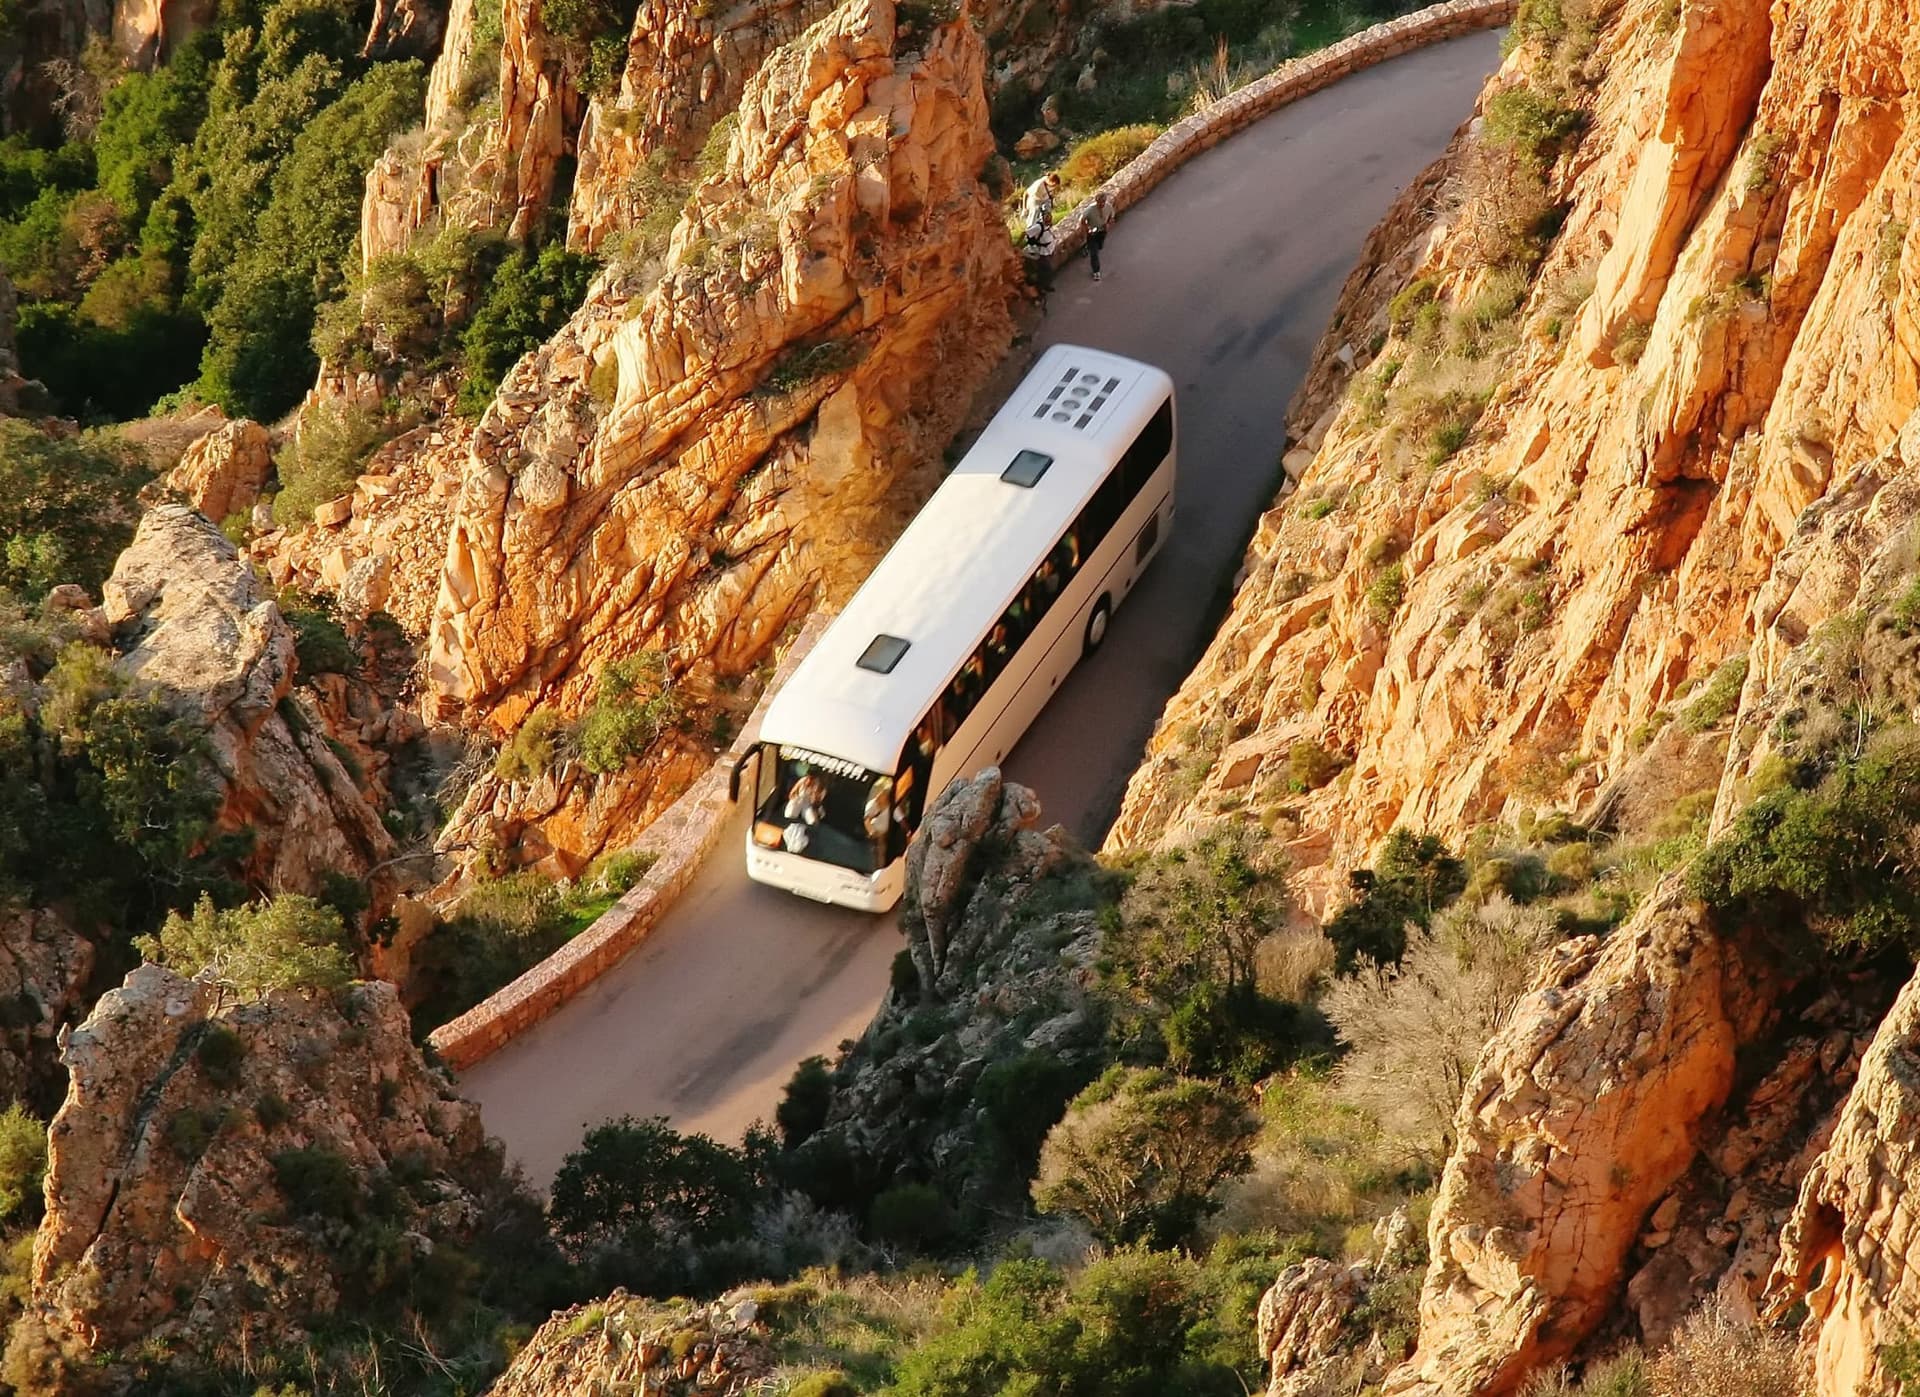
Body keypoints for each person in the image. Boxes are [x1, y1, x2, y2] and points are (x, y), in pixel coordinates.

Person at [1085, 190, 1113, 282]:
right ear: (1096, 201)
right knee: (1094, 253)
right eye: (1099, 202)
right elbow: (1082, 221)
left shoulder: (1108, 207)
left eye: (1103, 202)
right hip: (1093, 233)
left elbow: (1111, 217)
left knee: (1100, 247)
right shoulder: (1090, 210)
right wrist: (1088, 229)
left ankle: (1087, 247)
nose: (1101, 204)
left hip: (1102, 232)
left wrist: (1108, 224)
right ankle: (1096, 271)